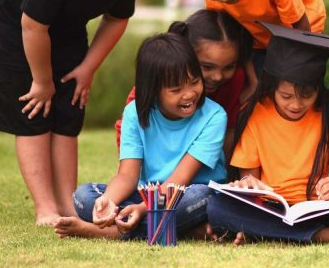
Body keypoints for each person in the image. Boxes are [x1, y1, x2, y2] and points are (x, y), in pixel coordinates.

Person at [0, 0, 154, 226]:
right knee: (35, 112)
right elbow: (33, 27)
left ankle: (68, 204)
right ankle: (45, 208)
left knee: (68, 112)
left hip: (67, 31)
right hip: (22, 33)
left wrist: (87, 69)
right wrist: (42, 81)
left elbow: (117, 20)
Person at [207, 22, 329, 245]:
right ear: (273, 86)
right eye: (286, 96)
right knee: (217, 208)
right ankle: (324, 236)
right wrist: (248, 185)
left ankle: (265, 233)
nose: (295, 104)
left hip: (320, 207)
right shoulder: (255, 113)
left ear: (318, 90)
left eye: (306, 96)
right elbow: (249, 178)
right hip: (272, 209)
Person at [54, 33, 227, 240]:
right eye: (176, 89)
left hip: (184, 195)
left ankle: (110, 232)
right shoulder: (134, 113)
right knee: (85, 196)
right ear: (153, 90)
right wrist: (108, 202)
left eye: (194, 82)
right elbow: (127, 176)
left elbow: (179, 181)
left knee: (201, 197)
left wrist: (142, 209)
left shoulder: (214, 116)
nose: (189, 94)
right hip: (146, 196)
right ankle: (182, 230)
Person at [181, 0, 327, 102]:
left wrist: (297, 70)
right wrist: (253, 82)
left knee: (291, 90)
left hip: (302, 27)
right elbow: (237, 38)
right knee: (261, 91)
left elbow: (301, 26)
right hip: (259, 32)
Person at [115, 9, 251, 161]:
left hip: (204, 168)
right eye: (207, 67)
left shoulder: (233, 81)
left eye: (228, 67)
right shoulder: (158, 82)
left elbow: (230, 131)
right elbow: (130, 128)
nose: (218, 76)